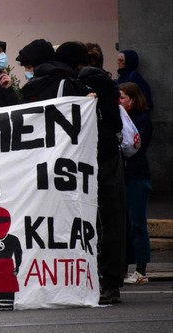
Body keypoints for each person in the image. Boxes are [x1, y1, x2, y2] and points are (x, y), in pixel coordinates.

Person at [76, 42, 127, 305]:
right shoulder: (106, 84)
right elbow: (116, 122)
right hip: (108, 158)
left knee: (95, 221)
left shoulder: (84, 83)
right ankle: (111, 281)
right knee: (111, 222)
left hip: (92, 160)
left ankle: (99, 279)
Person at [119, 82, 153, 285]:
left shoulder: (142, 120)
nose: (119, 101)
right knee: (125, 223)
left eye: (122, 97)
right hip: (126, 176)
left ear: (133, 98)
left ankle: (141, 269)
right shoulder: (124, 118)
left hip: (137, 176)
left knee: (137, 223)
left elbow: (135, 146)